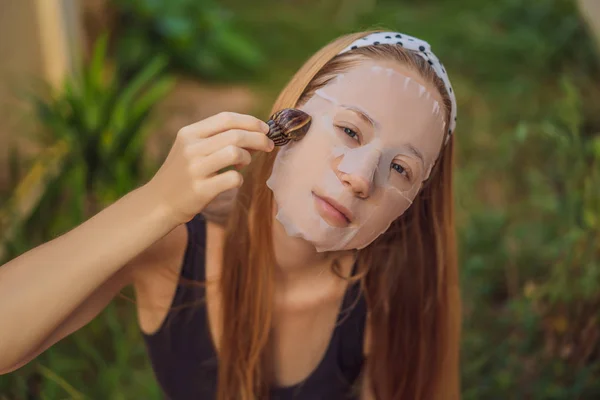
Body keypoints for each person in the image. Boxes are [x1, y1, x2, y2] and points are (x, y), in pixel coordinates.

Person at [0, 30, 461, 400]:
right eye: (349, 130)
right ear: (292, 118)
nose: (361, 178)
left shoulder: (390, 293)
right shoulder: (177, 250)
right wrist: (155, 204)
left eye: (400, 168)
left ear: (413, 203)